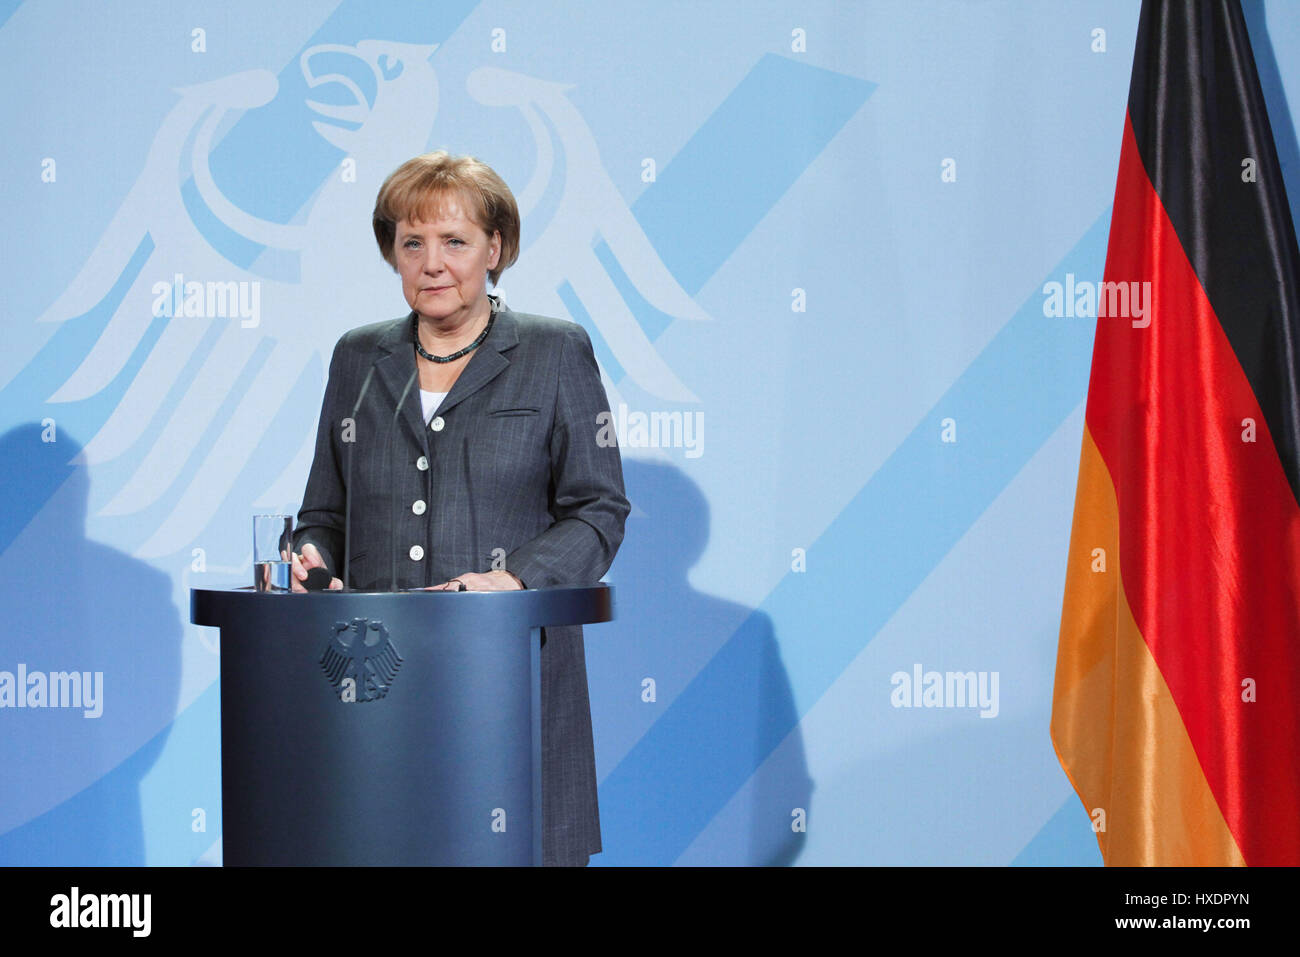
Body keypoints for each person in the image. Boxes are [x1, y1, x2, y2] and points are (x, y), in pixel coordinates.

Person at [289, 151, 629, 866]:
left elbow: (598, 507)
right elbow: (324, 511)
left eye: (455, 241)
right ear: (392, 253)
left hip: (508, 682)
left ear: (495, 248)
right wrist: (311, 555)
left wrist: (515, 581)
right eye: (412, 243)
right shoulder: (358, 357)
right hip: (376, 696)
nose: (432, 263)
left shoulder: (554, 351)